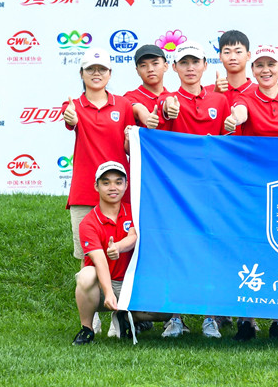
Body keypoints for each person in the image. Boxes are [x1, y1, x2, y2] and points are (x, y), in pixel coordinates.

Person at [224, 45, 278, 341]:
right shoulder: (245, 98)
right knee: (249, 248)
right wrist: (235, 119)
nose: (266, 70)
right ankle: (246, 320)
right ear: (253, 70)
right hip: (253, 189)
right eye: (260, 65)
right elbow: (239, 113)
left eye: (271, 65)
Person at [148, 41, 230, 339]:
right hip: (177, 192)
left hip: (211, 190)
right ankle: (175, 317)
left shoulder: (220, 101)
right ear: (175, 67)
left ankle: (210, 318)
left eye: (195, 62)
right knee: (176, 251)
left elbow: (229, 143)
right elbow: (159, 123)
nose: (191, 68)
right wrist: (165, 111)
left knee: (209, 251)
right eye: (184, 62)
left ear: (205, 65)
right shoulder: (167, 99)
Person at [63, 47, 135, 261]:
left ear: (110, 73)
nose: (96, 73)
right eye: (90, 69)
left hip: (118, 190)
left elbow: (129, 149)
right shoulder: (72, 105)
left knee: (120, 254)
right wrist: (71, 118)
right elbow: (70, 120)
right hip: (84, 192)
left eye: (102, 69)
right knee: (89, 257)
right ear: (81, 73)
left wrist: (129, 141)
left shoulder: (123, 105)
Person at [72, 162, 138, 345]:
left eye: (118, 182)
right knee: (86, 275)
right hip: (103, 286)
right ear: (96, 186)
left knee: (161, 314)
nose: (113, 187)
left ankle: (123, 317)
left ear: (126, 185)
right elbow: (99, 260)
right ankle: (87, 329)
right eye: (106, 182)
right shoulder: (88, 222)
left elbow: (133, 236)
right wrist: (108, 293)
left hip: (130, 283)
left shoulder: (135, 211)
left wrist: (118, 247)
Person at [124, 44, 170, 128]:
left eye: (155, 63)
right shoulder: (130, 97)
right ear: (137, 71)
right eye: (143, 65)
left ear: (165, 66)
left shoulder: (173, 97)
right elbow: (138, 109)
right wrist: (147, 118)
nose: (150, 69)